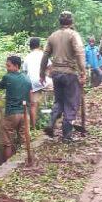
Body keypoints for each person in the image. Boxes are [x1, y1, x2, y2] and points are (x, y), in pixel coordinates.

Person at [40, 11, 86, 142]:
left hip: (56, 74)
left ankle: (51, 122)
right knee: (71, 103)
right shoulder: (73, 35)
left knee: (59, 101)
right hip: (70, 73)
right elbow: (79, 53)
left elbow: (45, 55)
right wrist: (83, 71)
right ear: (72, 22)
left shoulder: (52, 36)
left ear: (59, 22)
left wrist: (42, 73)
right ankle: (66, 135)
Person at [0, 55, 33, 161]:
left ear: (16, 66)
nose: (7, 68)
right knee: (24, 138)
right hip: (25, 113)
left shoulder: (7, 77)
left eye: (8, 66)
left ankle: (8, 164)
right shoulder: (26, 77)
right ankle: (24, 161)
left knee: (7, 141)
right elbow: (30, 94)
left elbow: (0, 86)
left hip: (12, 113)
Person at [22, 37, 51, 128]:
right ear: (39, 45)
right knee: (59, 88)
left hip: (32, 83)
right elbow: (50, 67)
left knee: (33, 105)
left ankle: (33, 127)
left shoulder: (27, 57)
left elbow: (25, 72)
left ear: (30, 47)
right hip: (44, 81)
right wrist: (47, 74)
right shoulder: (43, 54)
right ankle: (57, 114)